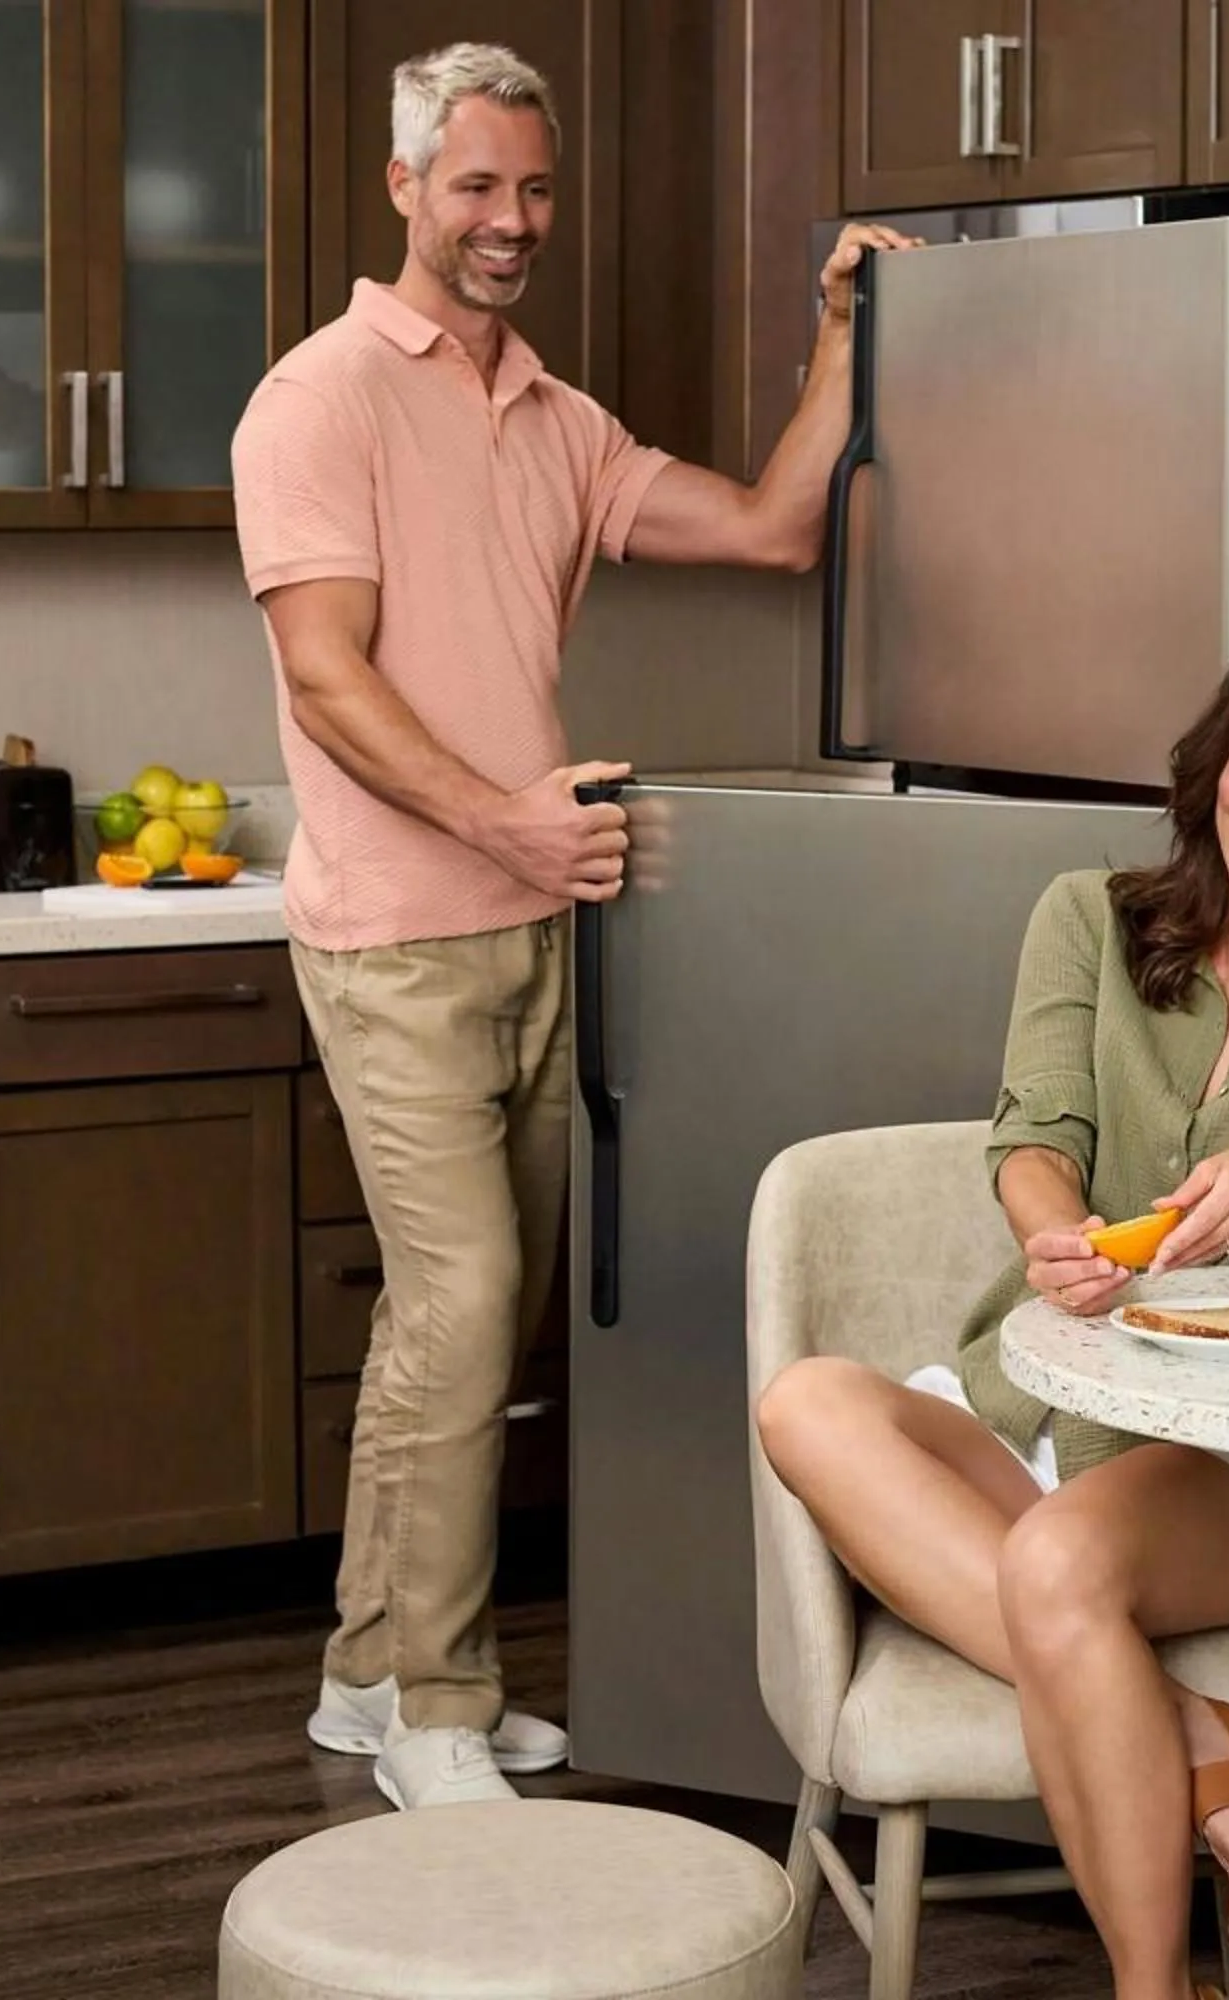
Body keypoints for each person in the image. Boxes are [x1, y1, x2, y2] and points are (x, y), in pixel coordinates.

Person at [230, 41, 914, 1812]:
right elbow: (326, 678)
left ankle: (365, 1674)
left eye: (534, 189)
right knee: (465, 1308)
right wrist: (503, 818)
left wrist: (841, 336)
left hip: (545, 928)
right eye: (476, 185)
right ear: (404, 187)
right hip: (395, 937)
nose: (511, 219)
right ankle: (437, 1712)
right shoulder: (317, 401)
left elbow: (772, 529)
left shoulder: (555, 417)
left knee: (458, 1316)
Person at [754, 602, 1229, 1998]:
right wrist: (1057, 1235)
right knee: (806, 1404)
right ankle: (1214, 1736)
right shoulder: (1090, 918)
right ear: (1220, 753)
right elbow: (1034, 1133)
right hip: (1040, 1389)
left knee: (1057, 1567)